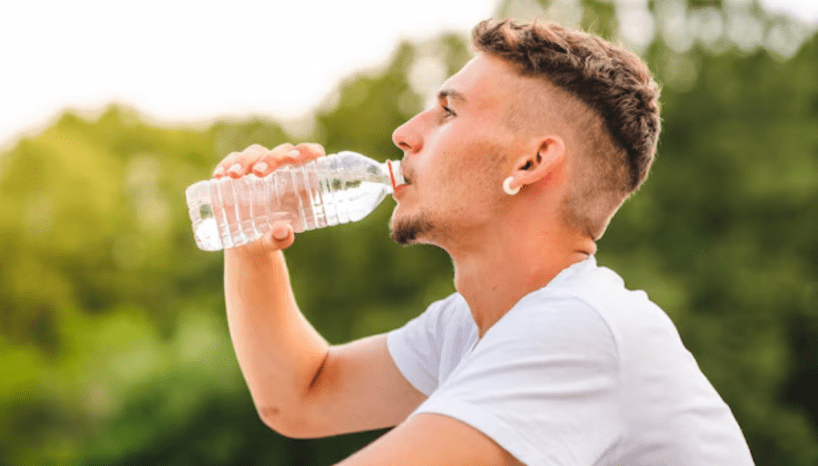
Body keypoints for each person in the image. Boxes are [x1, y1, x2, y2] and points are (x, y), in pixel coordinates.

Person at [210, 18, 755, 466]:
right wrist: (250, 241)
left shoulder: (580, 328)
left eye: (448, 112)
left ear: (531, 162)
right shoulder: (468, 327)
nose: (405, 133)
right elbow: (302, 396)